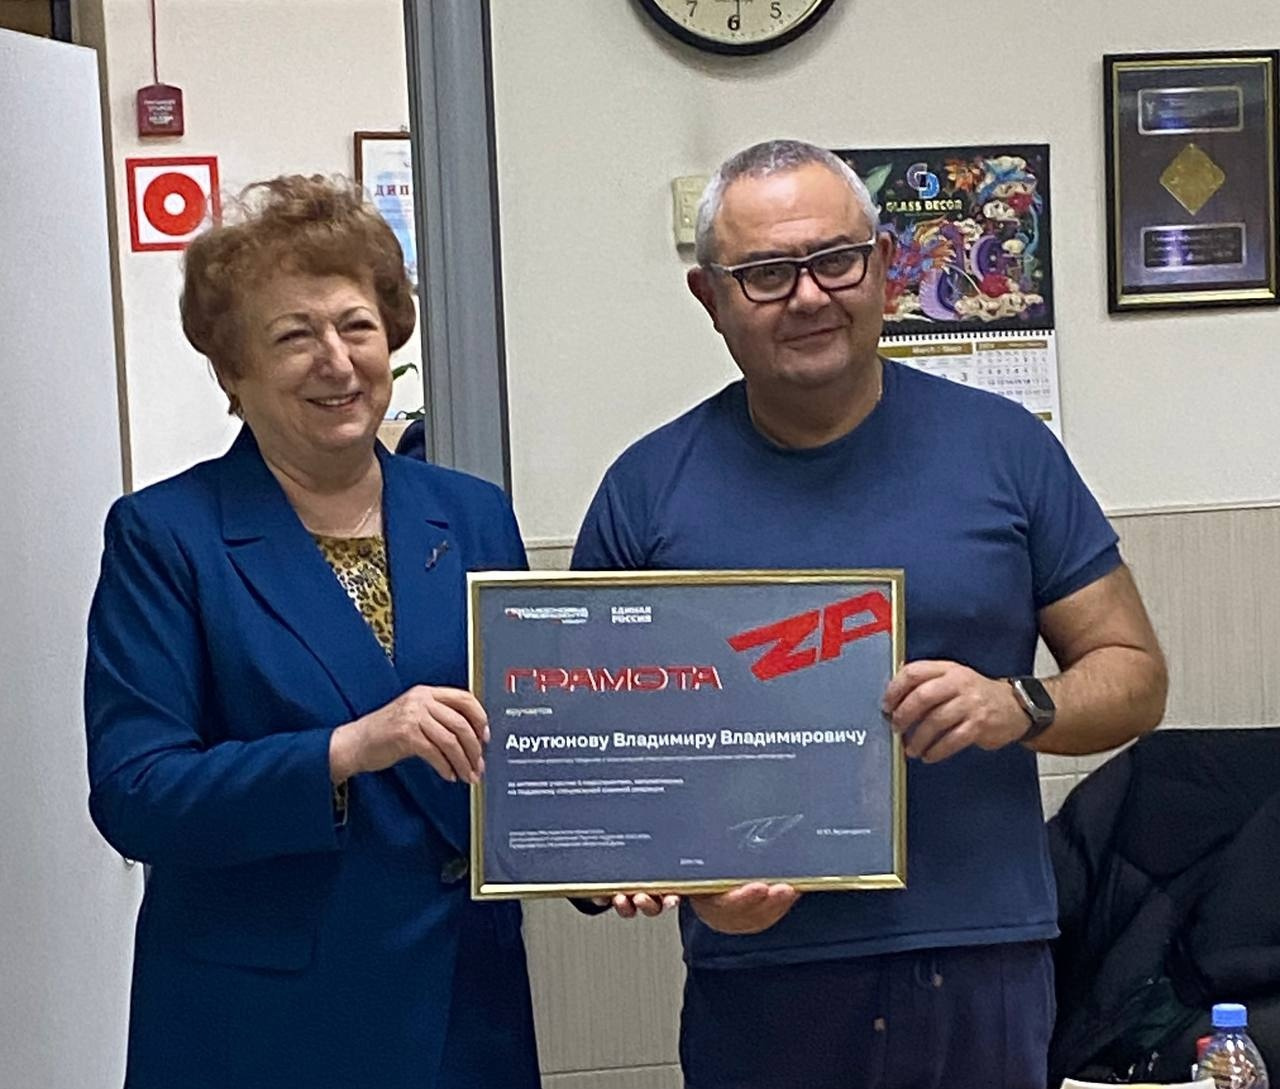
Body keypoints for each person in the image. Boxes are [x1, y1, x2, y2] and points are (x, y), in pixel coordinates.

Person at [571, 140, 1168, 1089]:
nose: (809, 295)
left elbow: (1134, 672)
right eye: (766, 274)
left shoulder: (1005, 450)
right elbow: (580, 768)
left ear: (885, 264)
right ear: (709, 298)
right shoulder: (647, 492)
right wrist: (680, 877)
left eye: (836, 259)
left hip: (978, 962)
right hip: (760, 977)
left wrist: (1017, 704)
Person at [84, 176, 540, 1089]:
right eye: (295, 335)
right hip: (267, 1027)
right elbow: (137, 793)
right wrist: (345, 749)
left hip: (464, 1013)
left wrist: (618, 860)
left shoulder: (473, 514)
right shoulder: (165, 536)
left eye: (356, 326)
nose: (336, 360)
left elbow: (529, 744)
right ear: (232, 372)